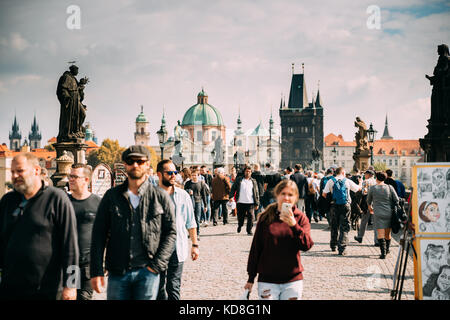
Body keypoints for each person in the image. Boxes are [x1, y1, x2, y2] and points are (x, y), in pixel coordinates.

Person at [90, 145, 177, 300]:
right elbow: (98, 234)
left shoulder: (160, 196)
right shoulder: (112, 196)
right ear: (125, 164)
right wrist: (96, 270)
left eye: (140, 161)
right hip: (118, 271)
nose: (135, 165)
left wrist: (156, 266)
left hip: (147, 271)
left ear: (148, 164)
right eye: (131, 161)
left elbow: (170, 232)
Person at [0, 153, 79, 300]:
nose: (15, 175)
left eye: (20, 171)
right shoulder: (7, 201)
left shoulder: (57, 199)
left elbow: (71, 247)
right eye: (12, 172)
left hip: (47, 289)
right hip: (11, 288)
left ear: (36, 170)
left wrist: (72, 285)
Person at [244, 179, 314, 300]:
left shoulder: (300, 218)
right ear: (277, 195)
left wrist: (294, 226)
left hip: (292, 280)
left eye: (290, 195)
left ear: (296, 197)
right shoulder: (266, 217)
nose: (286, 198)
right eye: (283, 194)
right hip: (268, 279)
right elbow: (256, 248)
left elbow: (307, 245)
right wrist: (251, 278)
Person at [156, 160, 199, 300]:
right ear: (159, 174)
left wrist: (195, 245)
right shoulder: (151, 196)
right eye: (169, 173)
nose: (174, 175)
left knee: (173, 287)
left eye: (175, 172)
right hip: (157, 248)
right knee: (158, 287)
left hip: (177, 247)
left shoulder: (183, 196)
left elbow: (190, 223)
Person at [68, 163, 101, 300]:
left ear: (86, 180)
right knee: (69, 297)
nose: (70, 179)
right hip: (70, 264)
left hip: (88, 263)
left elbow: (106, 234)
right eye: (70, 176)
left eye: (75, 176)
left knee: (85, 297)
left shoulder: (97, 202)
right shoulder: (64, 201)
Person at [322, 167, 361, 256]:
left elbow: (324, 194)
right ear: (343, 172)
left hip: (334, 205)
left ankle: (333, 245)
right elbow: (358, 189)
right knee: (345, 226)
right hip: (346, 205)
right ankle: (342, 248)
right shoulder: (347, 180)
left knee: (334, 225)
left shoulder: (330, 181)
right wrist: (360, 183)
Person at [367, 171, 399, 259]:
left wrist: (370, 208)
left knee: (380, 234)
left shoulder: (373, 188)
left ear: (376, 178)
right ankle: (387, 249)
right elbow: (396, 200)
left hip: (377, 213)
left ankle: (383, 253)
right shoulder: (389, 187)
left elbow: (368, 201)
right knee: (387, 234)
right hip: (389, 212)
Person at [230, 166, 260, 235]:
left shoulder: (253, 181)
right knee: (241, 217)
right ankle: (240, 225)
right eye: (247, 171)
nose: (248, 173)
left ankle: (249, 230)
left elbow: (256, 192)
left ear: (251, 173)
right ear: (244, 172)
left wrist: (257, 203)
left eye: (249, 172)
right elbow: (233, 188)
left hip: (250, 202)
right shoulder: (239, 180)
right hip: (240, 202)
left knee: (251, 217)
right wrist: (231, 196)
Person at [184, 168, 208, 239]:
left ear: (198, 175)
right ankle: (190, 233)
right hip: (189, 202)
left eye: (195, 175)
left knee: (197, 218)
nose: (194, 176)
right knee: (190, 218)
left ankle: (197, 233)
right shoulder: (188, 183)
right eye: (192, 175)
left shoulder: (201, 183)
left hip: (198, 202)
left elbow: (203, 195)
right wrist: (188, 191)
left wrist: (205, 205)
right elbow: (184, 192)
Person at [354, 170, 377, 245]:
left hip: (367, 203)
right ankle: (376, 240)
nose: (364, 175)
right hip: (376, 203)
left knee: (364, 221)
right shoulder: (377, 182)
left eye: (365, 174)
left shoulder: (366, 181)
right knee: (375, 222)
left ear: (368, 174)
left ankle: (360, 237)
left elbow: (364, 193)